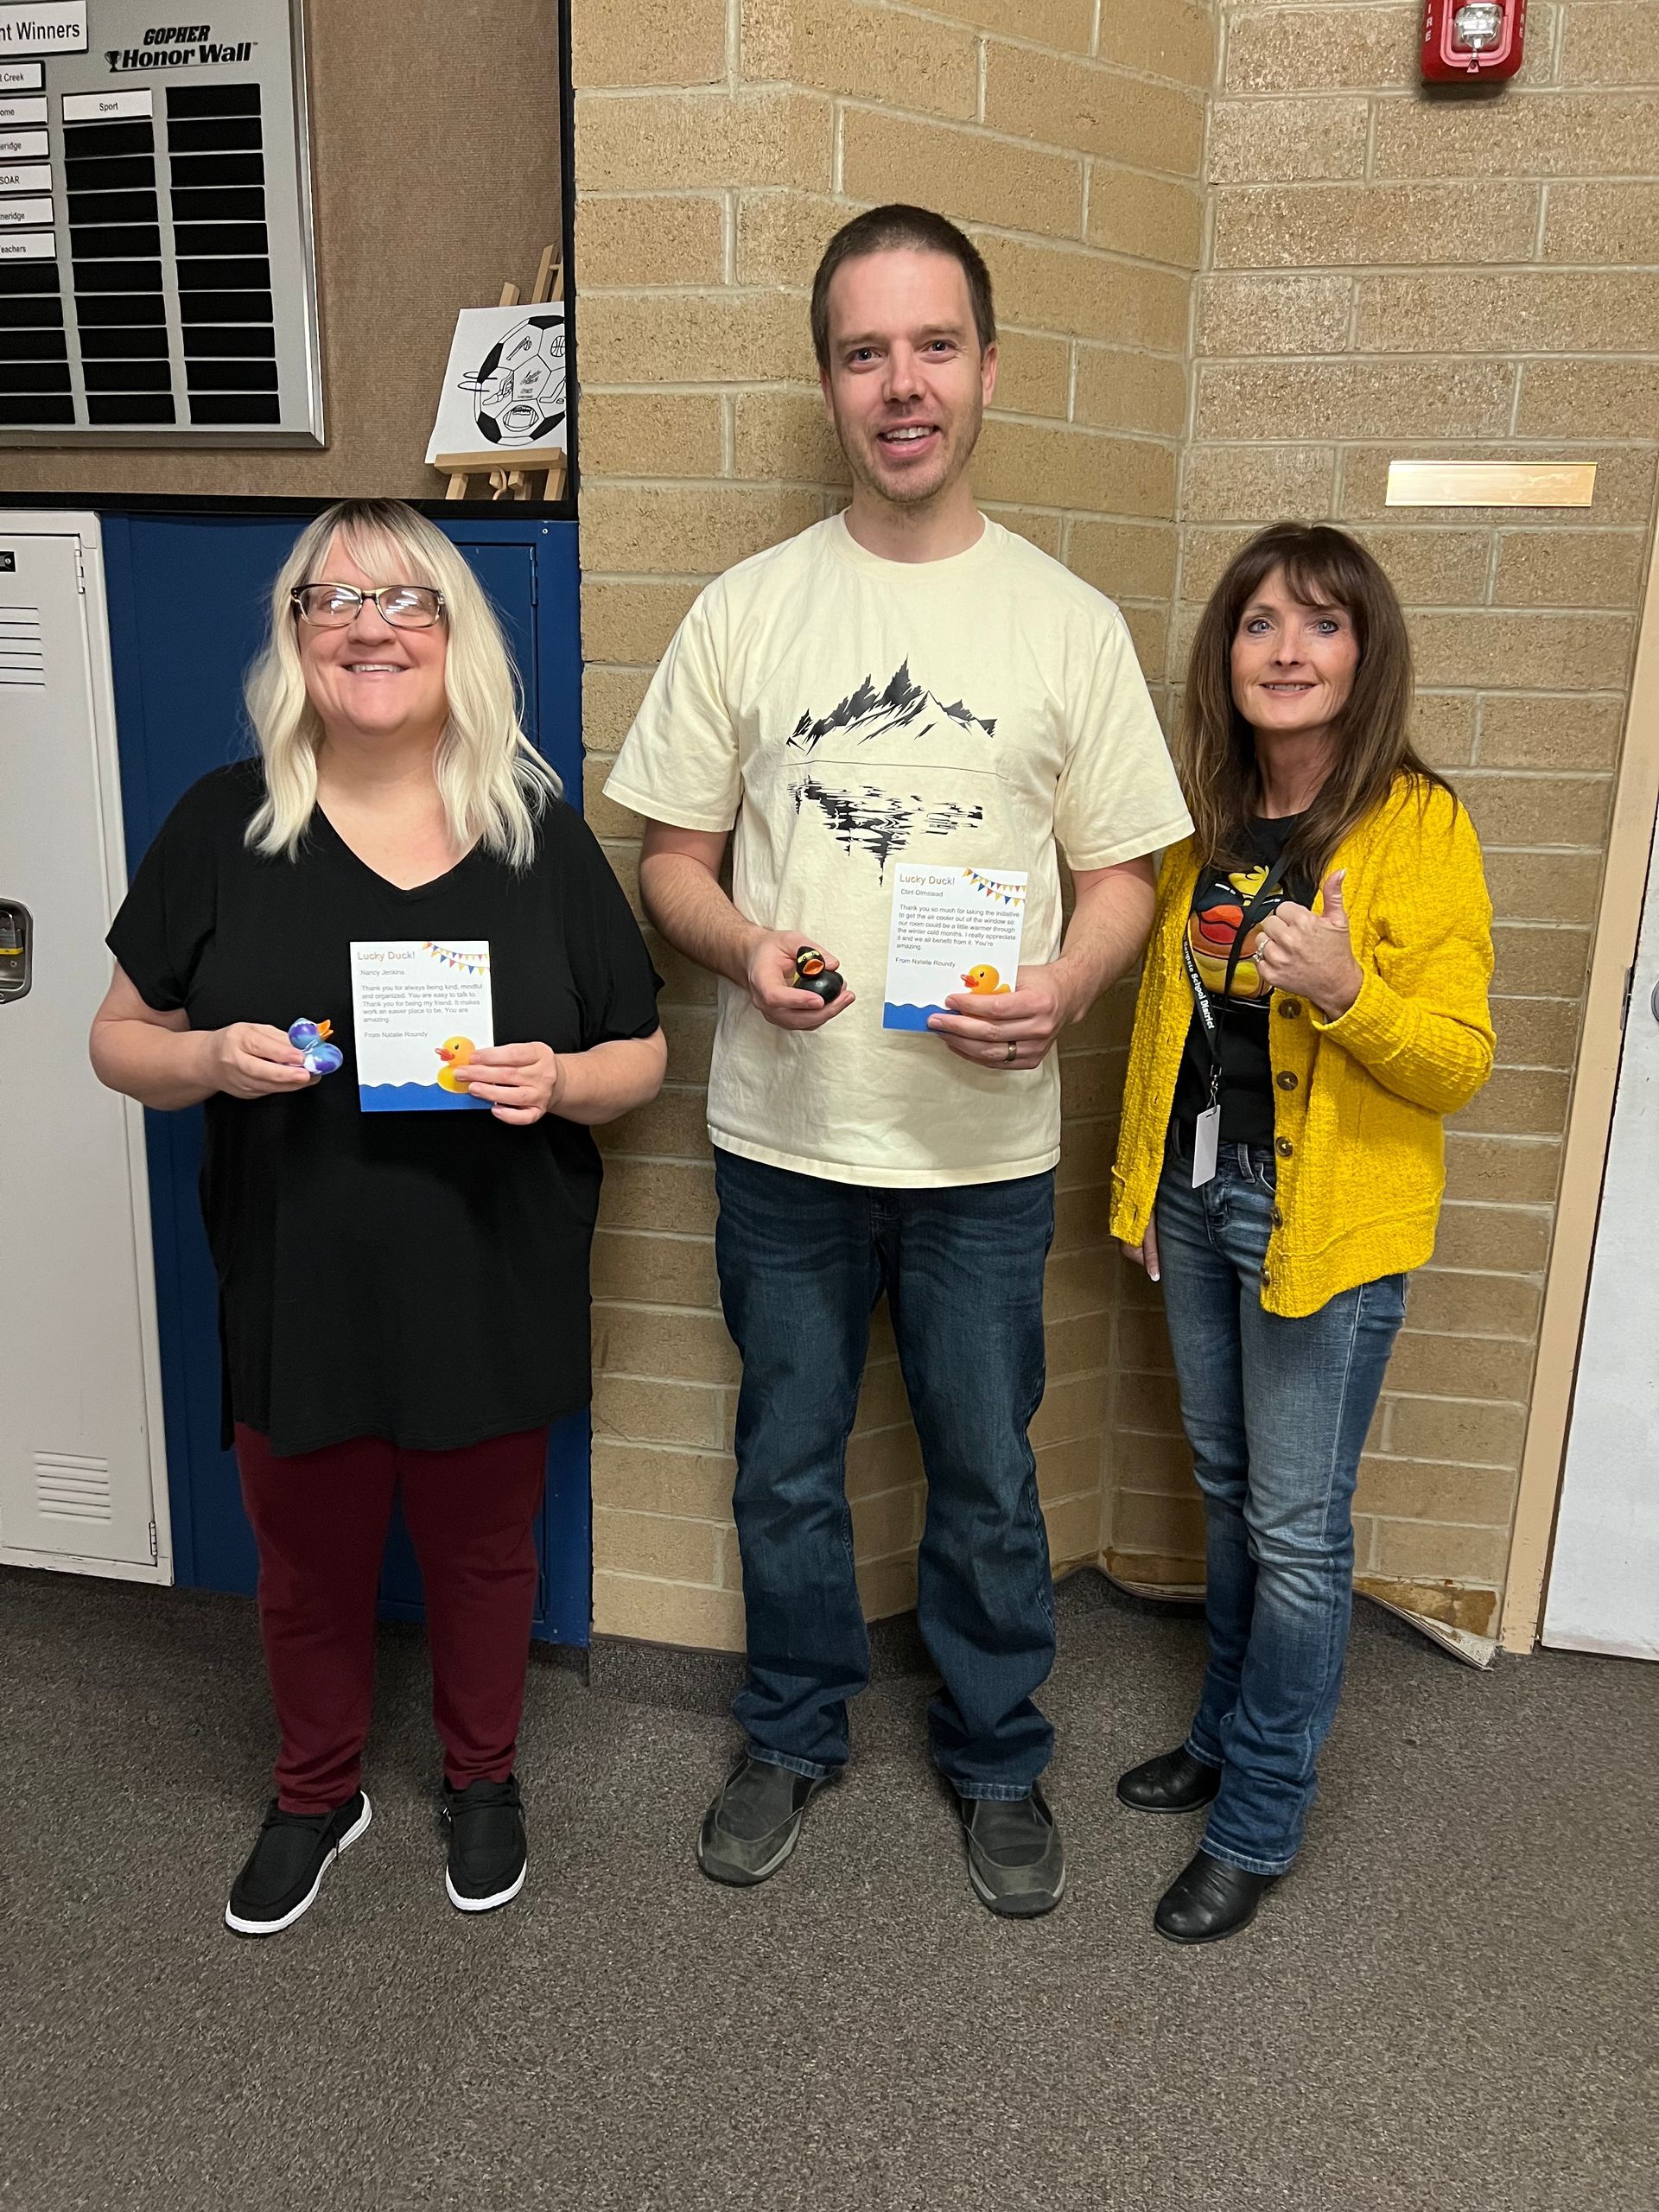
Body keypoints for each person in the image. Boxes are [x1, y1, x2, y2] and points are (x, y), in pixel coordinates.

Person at [604, 205, 1191, 1918]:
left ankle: (998, 1750)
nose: (902, 383)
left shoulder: (1066, 624)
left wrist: (1070, 984)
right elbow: (670, 858)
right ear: (829, 382)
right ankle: (789, 1730)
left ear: (987, 370)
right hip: (784, 1138)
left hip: (981, 1154)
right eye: (866, 352)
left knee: (991, 1473)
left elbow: (1128, 873)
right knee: (784, 1462)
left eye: (933, 345)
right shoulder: (747, 611)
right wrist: (742, 946)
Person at [91, 499, 664, 1936]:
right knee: (308, 1563)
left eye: (407, 600)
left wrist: (562, 1078)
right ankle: (316, 1790)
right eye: (332, 599)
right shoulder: (225, 825)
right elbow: (115, 1038)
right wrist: (205, 1059)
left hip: (492, 1269)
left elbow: (640, 1056)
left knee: (484, 1557)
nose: (368, 625)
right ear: (297, 639)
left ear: (455, 635)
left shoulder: (537, 831)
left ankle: (485, 1780)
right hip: (300, 1280)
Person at [1111, 523, 1495, 1943]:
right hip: (1199, 1202)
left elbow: (1457, 1059)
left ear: (1364, 653)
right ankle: (1220, 1734)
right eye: (1261, 623)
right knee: (1229, 1494)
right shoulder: (1205, 817)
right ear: (1228, 653)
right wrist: (1140, 1189)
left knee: (1295, 1531)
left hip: (1322, 1224)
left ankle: (1260, 1816)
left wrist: (1346, 990)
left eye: (1321, 626)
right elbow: (1170, 1026)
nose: (1287, 650)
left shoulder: (1420, 822)